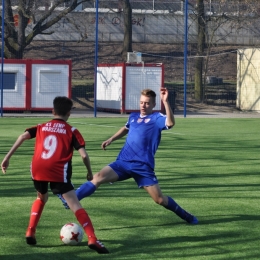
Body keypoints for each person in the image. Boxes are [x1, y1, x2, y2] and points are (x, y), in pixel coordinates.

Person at [58, 88, 198, 225]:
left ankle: (186, 216)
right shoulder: (133, 117)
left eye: (147, 103)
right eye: (142, 102)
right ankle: (70, 200)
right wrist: (111, 139)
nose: (144, 105)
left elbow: (170, 123)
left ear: (154, 105)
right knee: (97, 177)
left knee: (160, 200)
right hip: (123, 162)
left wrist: (166, 102)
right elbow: (126, 128)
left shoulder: (156, 118)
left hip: (142, 166)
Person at [1, 96, 109, 254]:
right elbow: (84, 155)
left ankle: (30, 230)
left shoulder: (41, 126)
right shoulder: (72, 131)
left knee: (41, 198)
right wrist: (90, 172)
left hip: (37, 168)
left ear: (53, 111)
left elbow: (22, 136)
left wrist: (6, 158)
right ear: (69, 113)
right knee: (75, 204)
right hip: (58, 171)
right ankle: (92, 238)